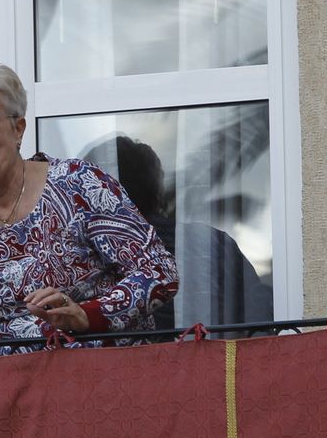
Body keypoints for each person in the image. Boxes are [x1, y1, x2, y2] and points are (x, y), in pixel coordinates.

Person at [0, 59, 178, 353]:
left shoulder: (79, 184)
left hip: (108, 379)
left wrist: (85, 316)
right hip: (19, 390)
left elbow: (159, 273)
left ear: (18, 129)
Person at [84, 134, 274, 330]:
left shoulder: (80, 258)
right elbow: (261, 320)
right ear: (156, 188)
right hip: (208, 358)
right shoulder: (209, 243)